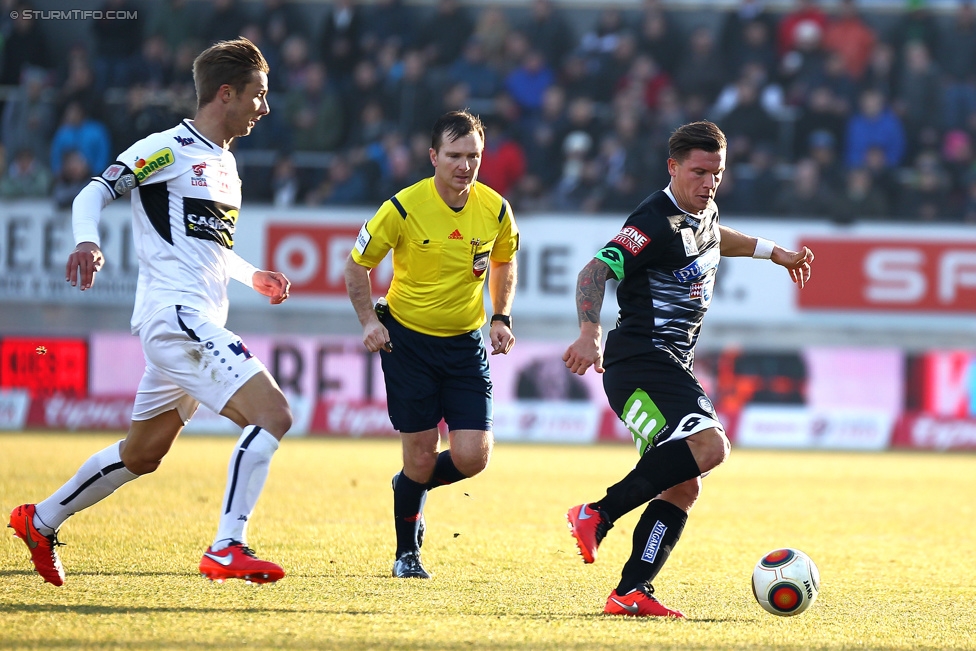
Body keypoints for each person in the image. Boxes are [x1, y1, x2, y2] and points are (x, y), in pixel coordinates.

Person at [8, 37, 294, 587]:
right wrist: (87, 241)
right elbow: (91, 193)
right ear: (225, 94)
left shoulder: (226, 165)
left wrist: (250, 274)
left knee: (143, 453)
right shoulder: (167, 148)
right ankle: (227, 546)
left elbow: (206, 245)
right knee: (273, 415)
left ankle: (39, 520)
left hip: (195, 321)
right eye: (258, 95)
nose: (265, 107)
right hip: (177, 318)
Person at [561, 121, 814, 617]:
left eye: (716, 173)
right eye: (698, 172)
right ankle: (597, 513)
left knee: (684, 483)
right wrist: (589, 333)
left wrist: (773, 253)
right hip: (641, 360)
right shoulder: (651, 220)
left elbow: (713, 235)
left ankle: (630, 591)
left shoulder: (700, 210)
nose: (709, 183)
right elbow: (594, 271)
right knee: (710, 445)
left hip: (668, 363)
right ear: (672, 167)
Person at [343, 110, 519, 579]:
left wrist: (499, 316)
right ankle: (407, 554)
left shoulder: (497, 209)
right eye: (455, 155)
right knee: (421, 451)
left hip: (464, 344)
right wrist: (366, 321)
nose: (465, 165)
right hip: (408, 344)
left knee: (472, 457)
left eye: (474, 156)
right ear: (433, 157)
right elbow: (356, 266)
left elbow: (503, 262)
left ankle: (408, 486)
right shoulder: (402, 207)